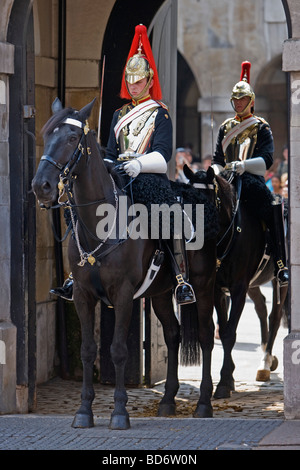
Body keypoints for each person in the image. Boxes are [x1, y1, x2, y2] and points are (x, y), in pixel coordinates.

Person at [51, 24, 195, 305]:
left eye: (139, 80)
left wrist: (138, 166)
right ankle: (74, 275)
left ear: (149, 79)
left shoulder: (159, 113)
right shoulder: (119, 114)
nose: (133, 85)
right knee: (79, 208)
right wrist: (106, 164)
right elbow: (111, 150)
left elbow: (163, 154)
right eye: (130, 79)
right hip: (117, 174)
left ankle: (179, 278)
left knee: (166, 212)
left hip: (147, 175)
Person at [212, 61, 288, 287]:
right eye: (235, 100)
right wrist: (216, 173)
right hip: (226, 180)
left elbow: (266, 160)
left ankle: (280, 263)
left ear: (251, 101)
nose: (238, 103)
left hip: (251, 180)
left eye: (242, 99)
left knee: (271, 206)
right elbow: (218, 159)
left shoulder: (261, 127)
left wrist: (243, 165)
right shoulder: (225, 127)